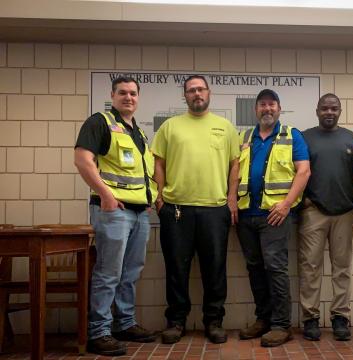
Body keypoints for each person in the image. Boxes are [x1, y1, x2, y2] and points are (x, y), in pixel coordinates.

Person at [151, 75, 240, 344]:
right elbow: (159, 163)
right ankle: (176, 321)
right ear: (185, 96)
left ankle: (213, 321)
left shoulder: (225, 127)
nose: (196, 94)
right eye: (191, 90)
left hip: (215, 209)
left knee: (215, 268)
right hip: (176, 209)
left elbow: (235, 165)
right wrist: (159, 197)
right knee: (176, 269)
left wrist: (232, 199)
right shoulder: (170, 127)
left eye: (200, 89)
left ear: (209, 93)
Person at [75, 76, 158, 356]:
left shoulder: (139, 133)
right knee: (108, 272)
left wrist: (148, 199)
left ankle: (124, 323)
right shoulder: (99, 122)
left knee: (130, 273)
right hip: (113, 211)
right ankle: (98, 332)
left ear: (138, 98)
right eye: (122, 93)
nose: (128, 97)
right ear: (113, 95)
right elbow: (82, 160)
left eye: (133, 93)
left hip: (138, 213)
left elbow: (141, 173)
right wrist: (107, 195)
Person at [236, 89, 310, 347]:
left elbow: (304, 171)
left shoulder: (292, 135)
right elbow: (233, 172)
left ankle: (281, 325)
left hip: (275, 216)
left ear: (279, 109)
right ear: (256, 109)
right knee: (255, 268)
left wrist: (287, 205)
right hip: (246, 215)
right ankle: (263, 320)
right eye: (262, 105)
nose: (267, 109)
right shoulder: (244, 137)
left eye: (272, 105)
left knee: (275, 268)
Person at [298, 93, 353, 342]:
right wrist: (301, 201)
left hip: (345, 212)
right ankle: (310, 318)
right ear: (317, 111)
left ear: (340, 110)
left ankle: (340, 318)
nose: (329, 112)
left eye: (334, 108)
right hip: (313, 212)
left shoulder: (352, 139)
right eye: (324, 108)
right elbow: (297, 171)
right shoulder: (305, 137)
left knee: (342, 268)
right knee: (310, 267)